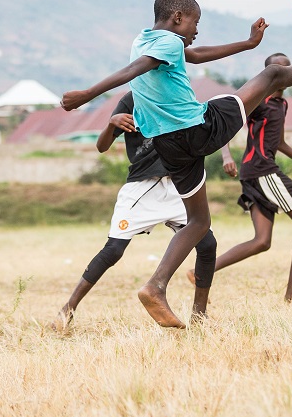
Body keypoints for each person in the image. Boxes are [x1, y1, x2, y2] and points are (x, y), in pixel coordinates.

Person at [61, 0, 292, 328]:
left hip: (169, 145)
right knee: (272, 75)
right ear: (178, 18)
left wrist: (247, 44)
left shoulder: (144, 40)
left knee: (199, 222)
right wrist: (88, 94)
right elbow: (135, 69)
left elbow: (193, 55)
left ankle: (157, 286)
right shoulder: (165, 44)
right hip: (196, 128)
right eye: (195, 22)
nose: (196, 30)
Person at [53, 91, 220, 330]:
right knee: (113, 250)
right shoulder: (132, 100)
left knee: (207, 245)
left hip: (178, 184)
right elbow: (102, 146)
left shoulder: (178, 92)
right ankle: (67, 310)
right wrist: (112, 124)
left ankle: (199, 316)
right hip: (143, 186)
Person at [192, 53, 292, 302]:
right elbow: (225, 123)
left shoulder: (282, 104)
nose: (285, 73)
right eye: (279, 69)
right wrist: (226, 156)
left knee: (262, 241)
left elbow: (280, 143)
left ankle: (200, 272)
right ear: (270, 73)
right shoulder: (259, 101)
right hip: (261, 170)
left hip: (257, 171)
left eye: (289, 69)